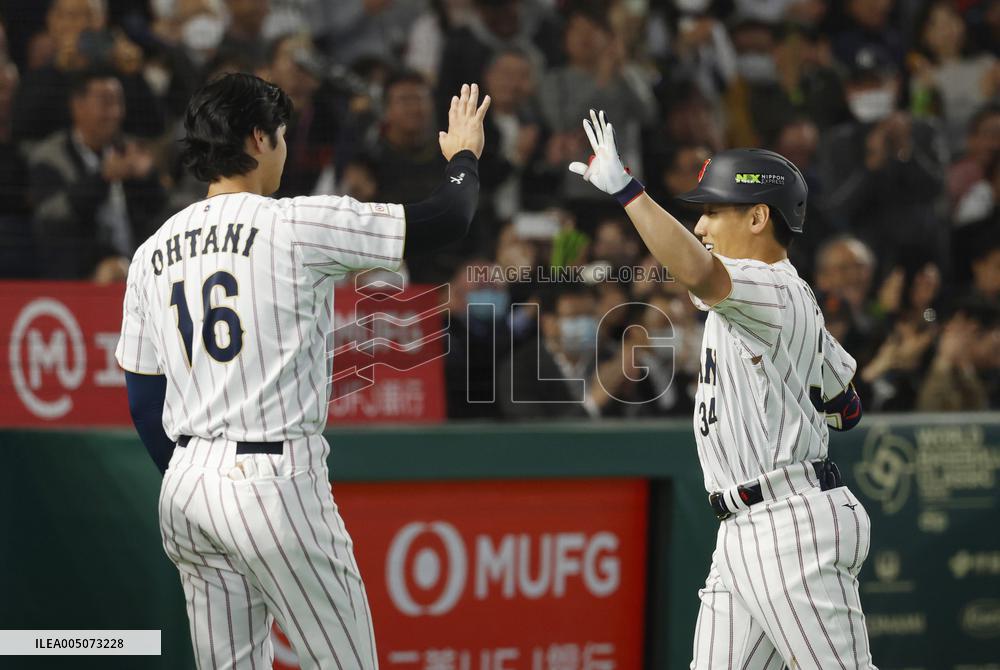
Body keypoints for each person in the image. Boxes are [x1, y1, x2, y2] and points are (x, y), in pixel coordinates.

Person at [115, 73, 489, 668]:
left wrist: (196, 468)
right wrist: (465, 154)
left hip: (185, 486)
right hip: (270, 480)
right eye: (282, 135)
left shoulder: (151, 251)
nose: (285, 150)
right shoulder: (295, 223)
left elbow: (142, 398)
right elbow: (447, 217)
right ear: (259, 138)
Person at [569, 110, 875, 667]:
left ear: (759, 216)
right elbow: (845, 403)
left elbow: (697, 269)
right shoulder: (780, 301)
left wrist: (626, 189)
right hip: (746, 529)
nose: (702, 225)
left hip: (789, 527)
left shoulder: (771, 287)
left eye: (713, 209)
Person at [28, 68, 165, 279]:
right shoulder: (50, 156)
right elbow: (51, 214)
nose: (115, 113)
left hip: (141, 266)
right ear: (77, 106)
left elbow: (159, 210)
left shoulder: (130, 149)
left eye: (118, 103)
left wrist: (148, 178)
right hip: (79, 272)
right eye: (105, 103)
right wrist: (103, 178)